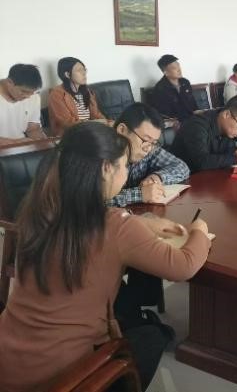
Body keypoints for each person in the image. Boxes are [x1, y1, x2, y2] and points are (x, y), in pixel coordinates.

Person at [0, 122, 213, 392]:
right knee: (152, 337)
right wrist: (199, 232)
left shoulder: (38, 209)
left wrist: (142, 222)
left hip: (8, 361)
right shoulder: (116, 226)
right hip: (58, 379)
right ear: (105, 168)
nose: (127, 173)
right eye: (124, 166)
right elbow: (183, 266)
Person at [109, 102, 190, 207]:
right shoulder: (100, 153)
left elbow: (182, 167)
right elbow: (92, 201)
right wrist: (140, 194)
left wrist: (157, 177)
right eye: (145, 140)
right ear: (122, 130)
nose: (148, 148)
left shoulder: (149, 147)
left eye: (153, 142)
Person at [171, 94, 237, 172]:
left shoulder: (232, 126)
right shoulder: (197, 125)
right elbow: (202, 162)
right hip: (186, 180)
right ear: (226, 114)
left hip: (212, 177)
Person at [48, 57, 108, 136]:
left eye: (84, 70)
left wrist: (108, 122)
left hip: (91, 132)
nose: (84, 73)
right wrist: (94, 123)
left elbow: (96, 115)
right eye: (79, 70)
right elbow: (67, 123)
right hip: (71, 135)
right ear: (67, 74)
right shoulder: (56, 94)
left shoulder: (87, 92)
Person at [0, 63, 46, 145]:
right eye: (24, 91)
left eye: (32, 92)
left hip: (21, 147)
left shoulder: (34, 97)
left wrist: (43, 142)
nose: (28, 96)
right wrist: (14, 142)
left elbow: (32, 129)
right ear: (9, 82)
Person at [151, 54, 201, 121]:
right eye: (174, 68)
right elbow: (166, 115)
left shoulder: (185, 82)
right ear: (165, 72)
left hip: (193, 119)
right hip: (177, 122)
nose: (179, 69)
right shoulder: (160, 89)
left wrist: (199, 113)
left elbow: (193, 104)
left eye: (178, 65)